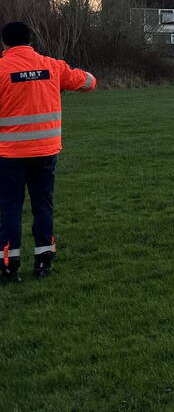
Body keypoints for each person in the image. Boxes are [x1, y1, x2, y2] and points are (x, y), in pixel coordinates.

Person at [0, 22, 96, 282]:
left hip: (9, 154)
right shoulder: (52, 66)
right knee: (43, 204)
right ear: (31, 40)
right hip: (45, 150)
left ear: (4, 44)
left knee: (9, 207)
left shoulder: (2, 69)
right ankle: (43, 262)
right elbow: (89, 82)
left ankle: (9, 264)